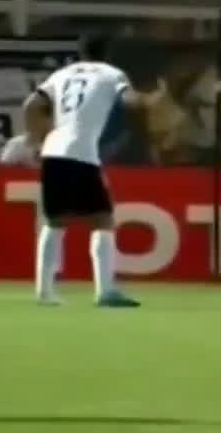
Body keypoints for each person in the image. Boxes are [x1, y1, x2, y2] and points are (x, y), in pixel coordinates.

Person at [22, 33, 164, 307]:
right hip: (82, 152)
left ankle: (44, 292)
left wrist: (35, 138)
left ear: (81, 52)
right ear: (108, 52)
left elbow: (31, 104)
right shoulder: (111, 74)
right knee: (102, 220)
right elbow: (130, 101)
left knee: (55, 221)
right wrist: (152, 99)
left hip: (53, 150)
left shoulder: (61, 74)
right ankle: (105, 291)